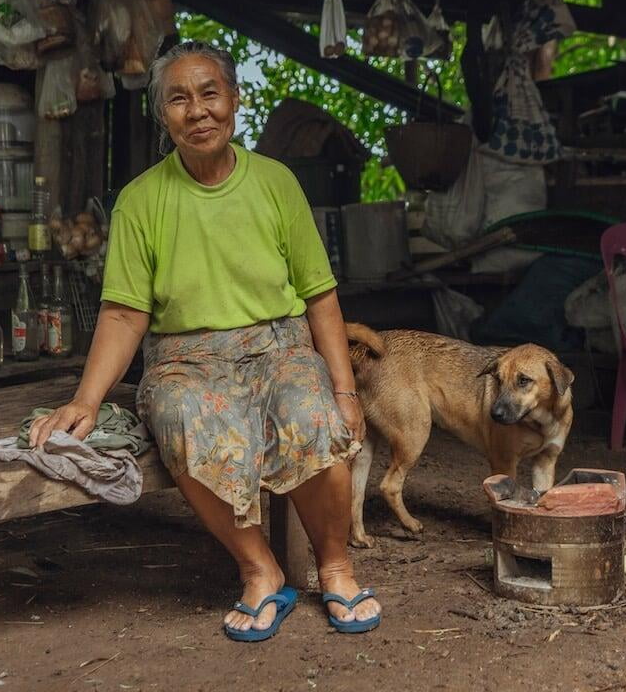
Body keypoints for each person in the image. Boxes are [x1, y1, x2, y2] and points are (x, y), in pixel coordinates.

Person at [29, 41, 381, 640]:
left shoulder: (276, 183)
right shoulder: (140, 200)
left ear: (235, 101)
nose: (198, 111)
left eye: (210, 93)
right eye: (179, 99)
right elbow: (122, 314)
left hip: (279, 348)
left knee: (313, 414)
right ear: (162, 115)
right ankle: (261, 571)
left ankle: (337, 568)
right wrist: (86, 401)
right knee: (181, 414)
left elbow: (320, 295)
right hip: (184, 359)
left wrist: (345, 391)